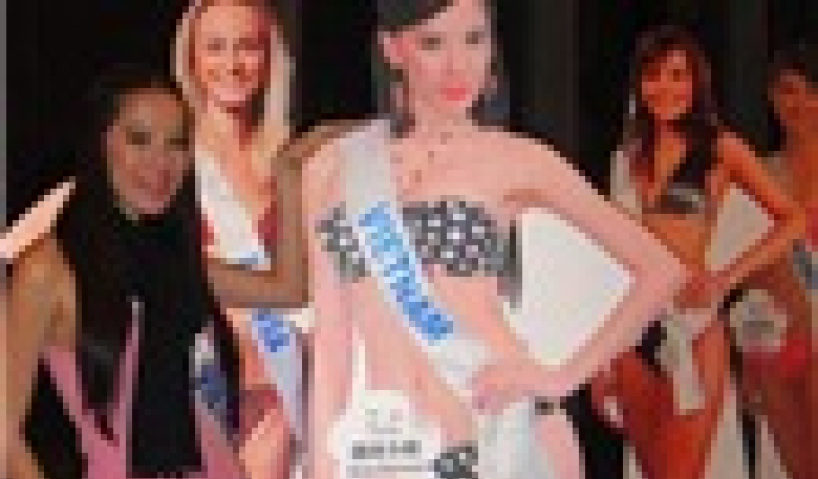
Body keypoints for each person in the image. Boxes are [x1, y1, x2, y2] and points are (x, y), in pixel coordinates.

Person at [303, 2, 690, 478]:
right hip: (388, 447)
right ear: (392, 48)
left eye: (474, 40)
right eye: (433, 43)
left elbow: (662, 270)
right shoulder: (334, 166)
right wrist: (322, 463)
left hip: (502, 435)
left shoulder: (516, 159)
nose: (458, 65)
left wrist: (560, 377)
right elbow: (330, 345)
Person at [3, 64, 302, 479]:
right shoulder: (47, 269)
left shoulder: (174, 259)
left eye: (176, 143)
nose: (160, 163)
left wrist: (287, 174)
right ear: (101, 142)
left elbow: (289, 291)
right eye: (139, 139)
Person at [596, 25, 805, 479]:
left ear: (697, 82)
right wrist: (601, 361)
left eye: (678, 75)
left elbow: (793, 220)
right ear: (638, 84)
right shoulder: (626, 156)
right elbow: (611, 260)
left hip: (690, 325)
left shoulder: (721, 149)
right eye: (653, 75)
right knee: (648, 471)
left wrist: (725, 277)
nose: (666, 88)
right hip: (633, 326)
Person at [735, 40, 818, 479]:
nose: (800, 103)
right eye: (788, 90)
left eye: (812, 91)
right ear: (771, 97)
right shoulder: (761, 175)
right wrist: (751, 359)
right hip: (780, 340)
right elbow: (755, 278)